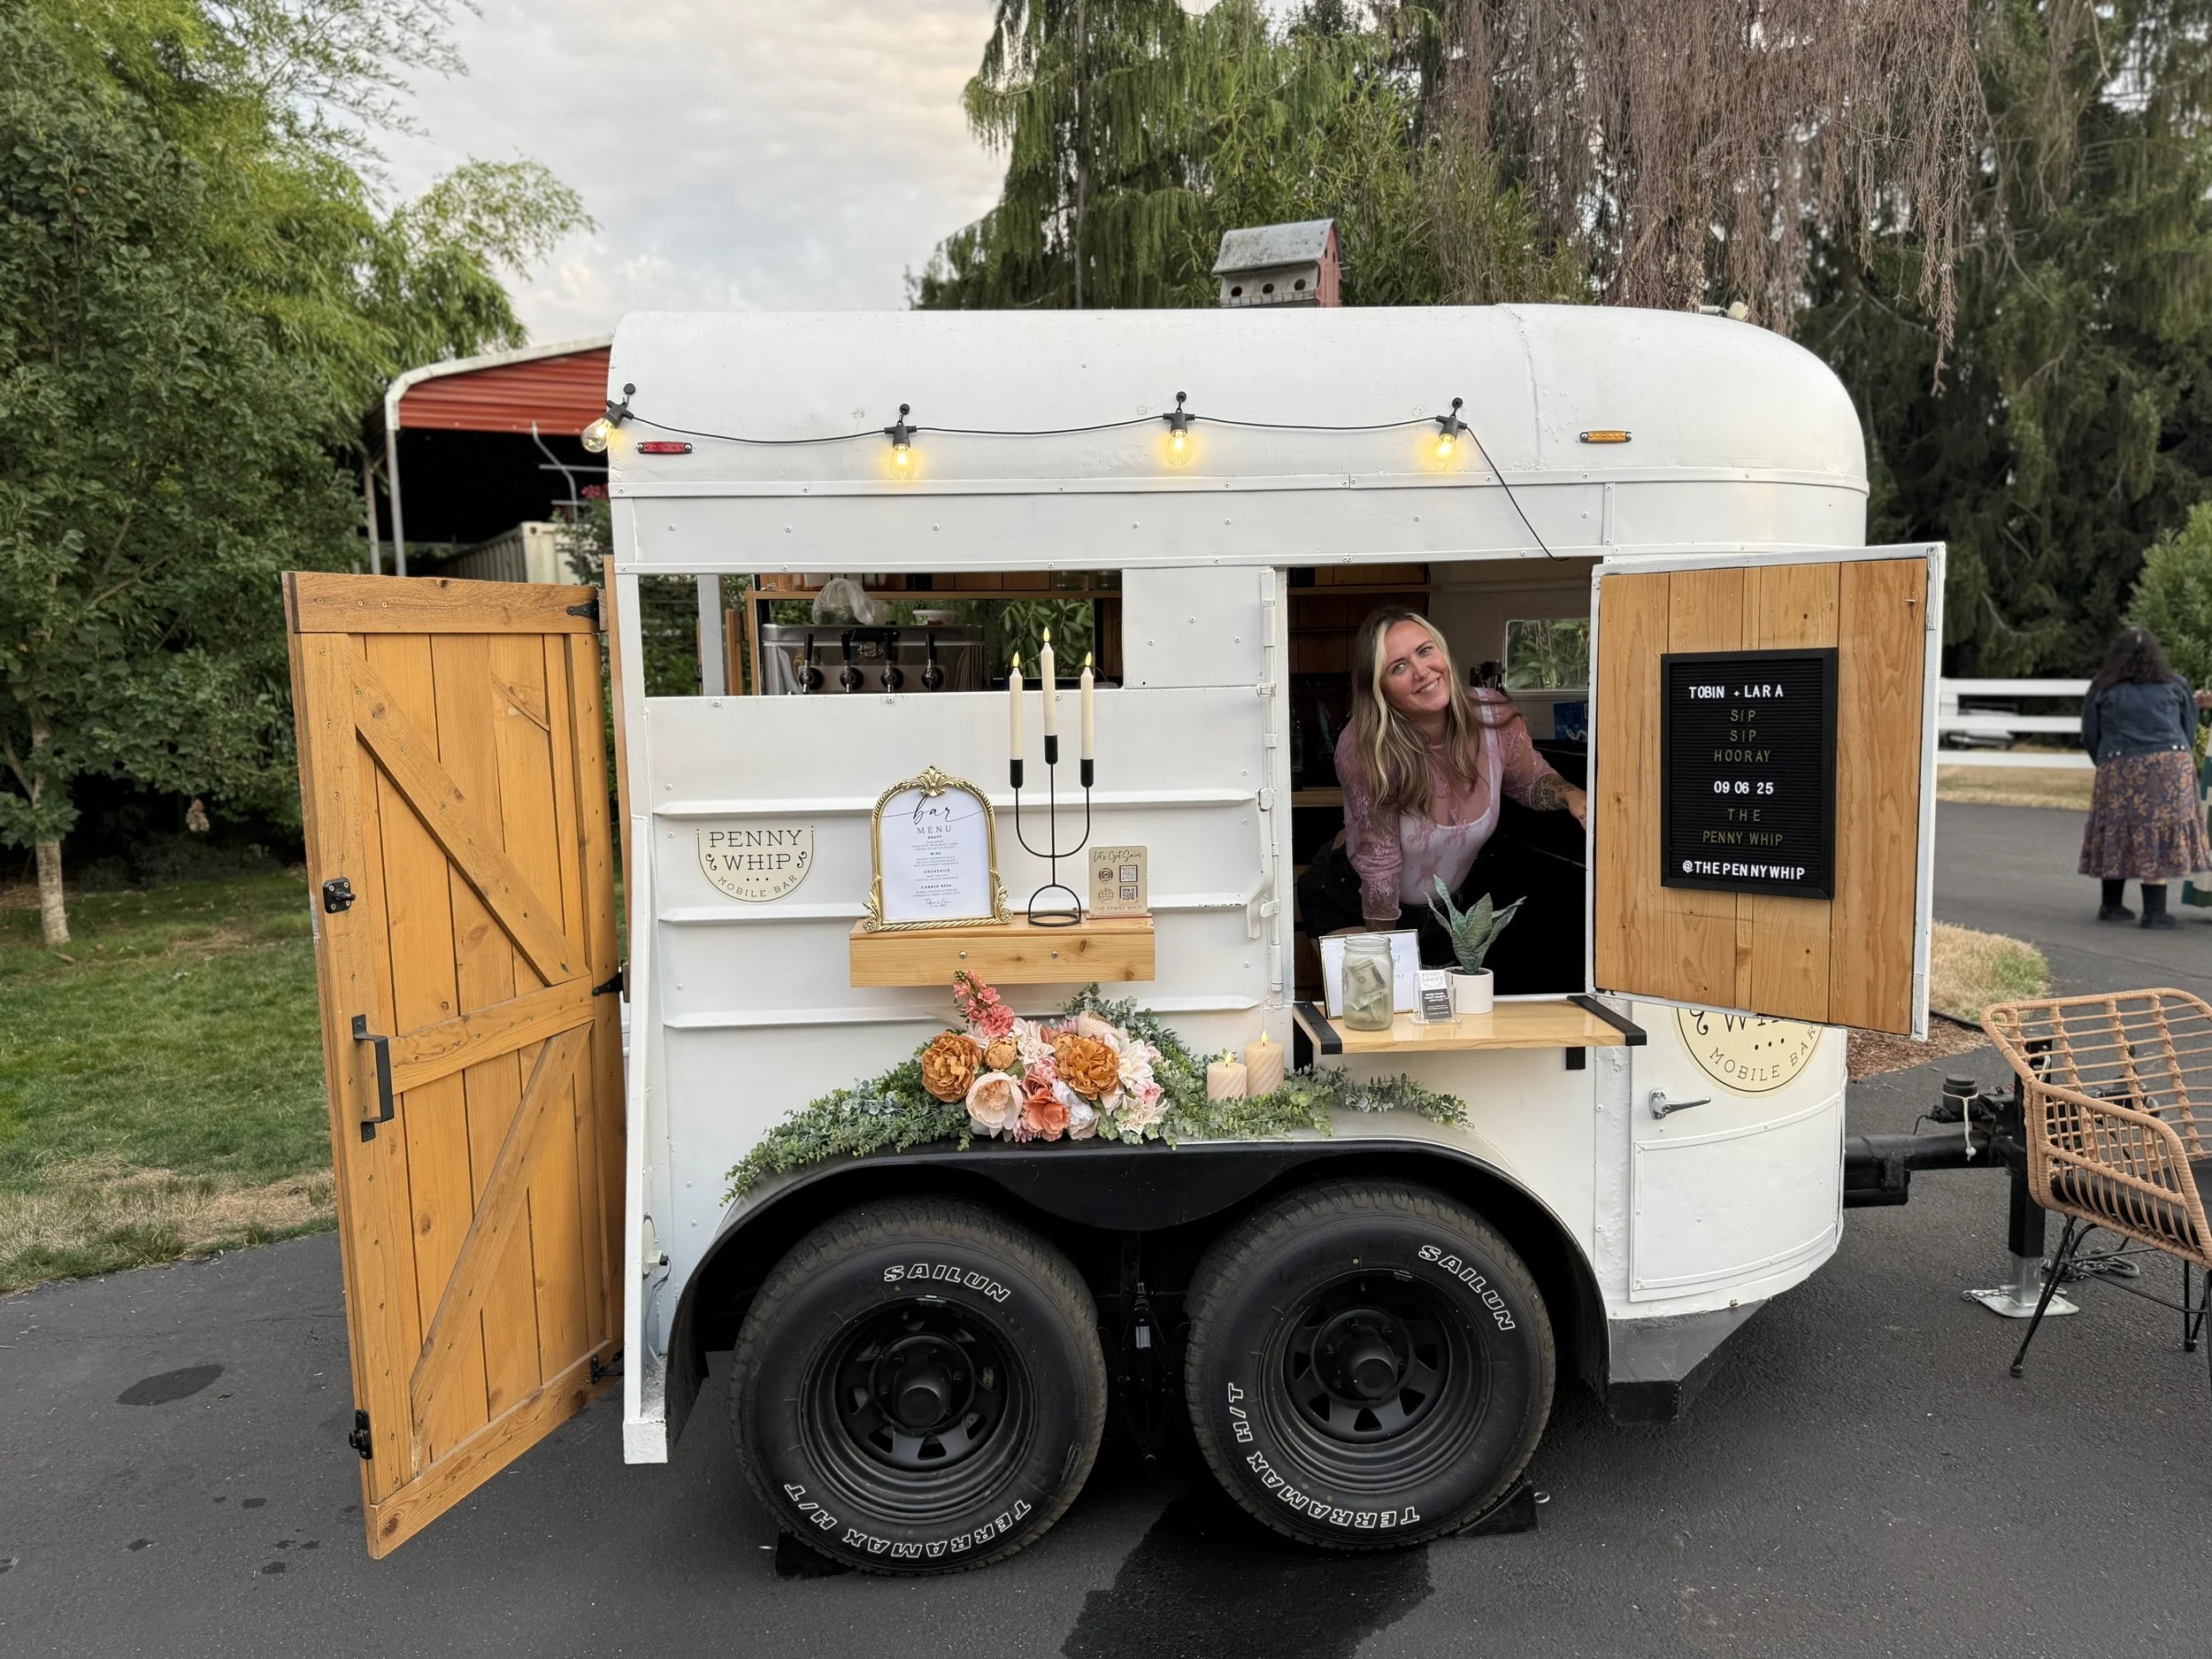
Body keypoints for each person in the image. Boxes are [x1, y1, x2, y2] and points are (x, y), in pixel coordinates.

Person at [1296, 608, 1586, 969]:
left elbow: (1528, 779)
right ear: (1380, 689)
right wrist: (1389, 959)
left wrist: (1573, 797)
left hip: (1444, 912)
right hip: (1354, 900)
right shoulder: (1366, 745)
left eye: (1425, 650)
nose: (1421, 671)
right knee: (1378, 1011)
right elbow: (1379, 864)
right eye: (1398, 667)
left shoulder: (1491, 716)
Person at [2078, 626, 2211, 929]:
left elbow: (2090, 735)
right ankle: (2155, 912)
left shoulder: (2102, 689)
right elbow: (2187, 731)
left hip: (2119, 765)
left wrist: (2108, 762)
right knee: (2158, 832)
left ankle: (2111, 905)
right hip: (2169, 766)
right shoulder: (2176, 686)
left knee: (2117, 829)